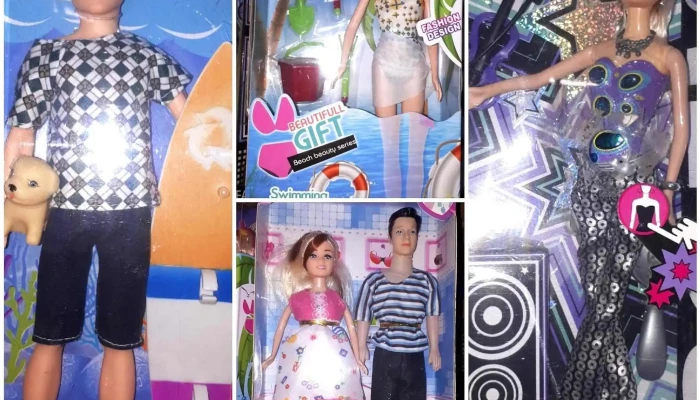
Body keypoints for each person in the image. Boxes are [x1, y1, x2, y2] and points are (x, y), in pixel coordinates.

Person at [469, 0, 687, 398]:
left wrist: (669, 191)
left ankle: (580, 390)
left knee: (606, 302)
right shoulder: (601, 49)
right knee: (599, 298)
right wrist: (485, 90)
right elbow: (539, 79)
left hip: (635, 189)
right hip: (589, 184)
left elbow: (683, 128)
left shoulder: (668, 55)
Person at [4, 1, 191, 399]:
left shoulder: (143, 54)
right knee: (49, 331)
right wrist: (10, 195)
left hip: (130, 209)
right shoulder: (47, 54)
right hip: (65, 207)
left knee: (121, 335)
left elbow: (192, 120)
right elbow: (22, 133)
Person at [261, 231, 367, 400]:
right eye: (313, 255)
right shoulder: (297, 298)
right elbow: (281, 326)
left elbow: (351, 328)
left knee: (335, 388)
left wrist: (358, 358)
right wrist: (272, 355)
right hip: (302, 350)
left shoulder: (336, 298)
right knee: (298, 387)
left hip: (335, 350)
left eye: (327, 256)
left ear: (335, 261)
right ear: (304, 260)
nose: (321, 261)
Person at [355, 207, 442, 400]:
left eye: (412, 231)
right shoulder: (374, 281)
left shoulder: (427, 281)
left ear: (418, 237)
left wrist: (434, 348)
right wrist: (361, 346)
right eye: (399, 231)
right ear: (390, 237)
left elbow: (432, 316)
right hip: (385, 352)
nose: (406, 237)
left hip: (415, 354)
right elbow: (363, 315)